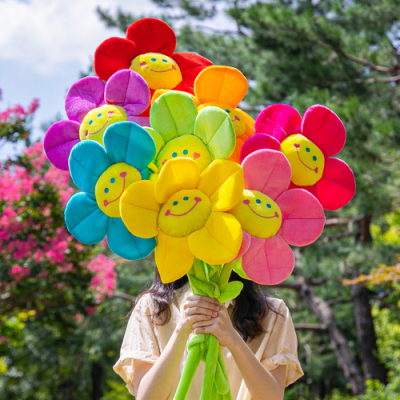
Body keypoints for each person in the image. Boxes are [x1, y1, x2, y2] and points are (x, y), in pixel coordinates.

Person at [114, 268, 303, 400]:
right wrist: (181, 330)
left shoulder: (273, 313)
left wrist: (233, 341)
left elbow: (272, 397)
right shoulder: (152, 308)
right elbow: (146, 397)